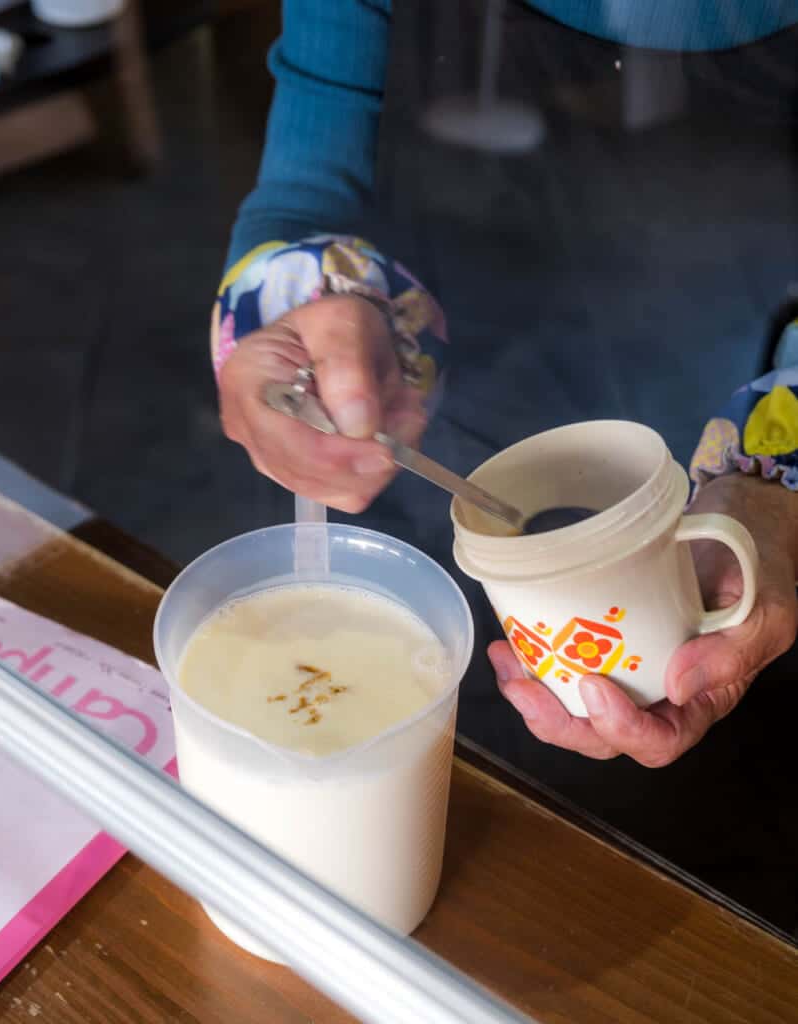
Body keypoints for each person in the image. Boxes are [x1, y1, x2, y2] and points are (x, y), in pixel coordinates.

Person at [212, 1, 798, 768]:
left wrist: (770, 489)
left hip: (731, 461)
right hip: (427, 428)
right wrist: (296, 323)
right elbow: (308, 173)